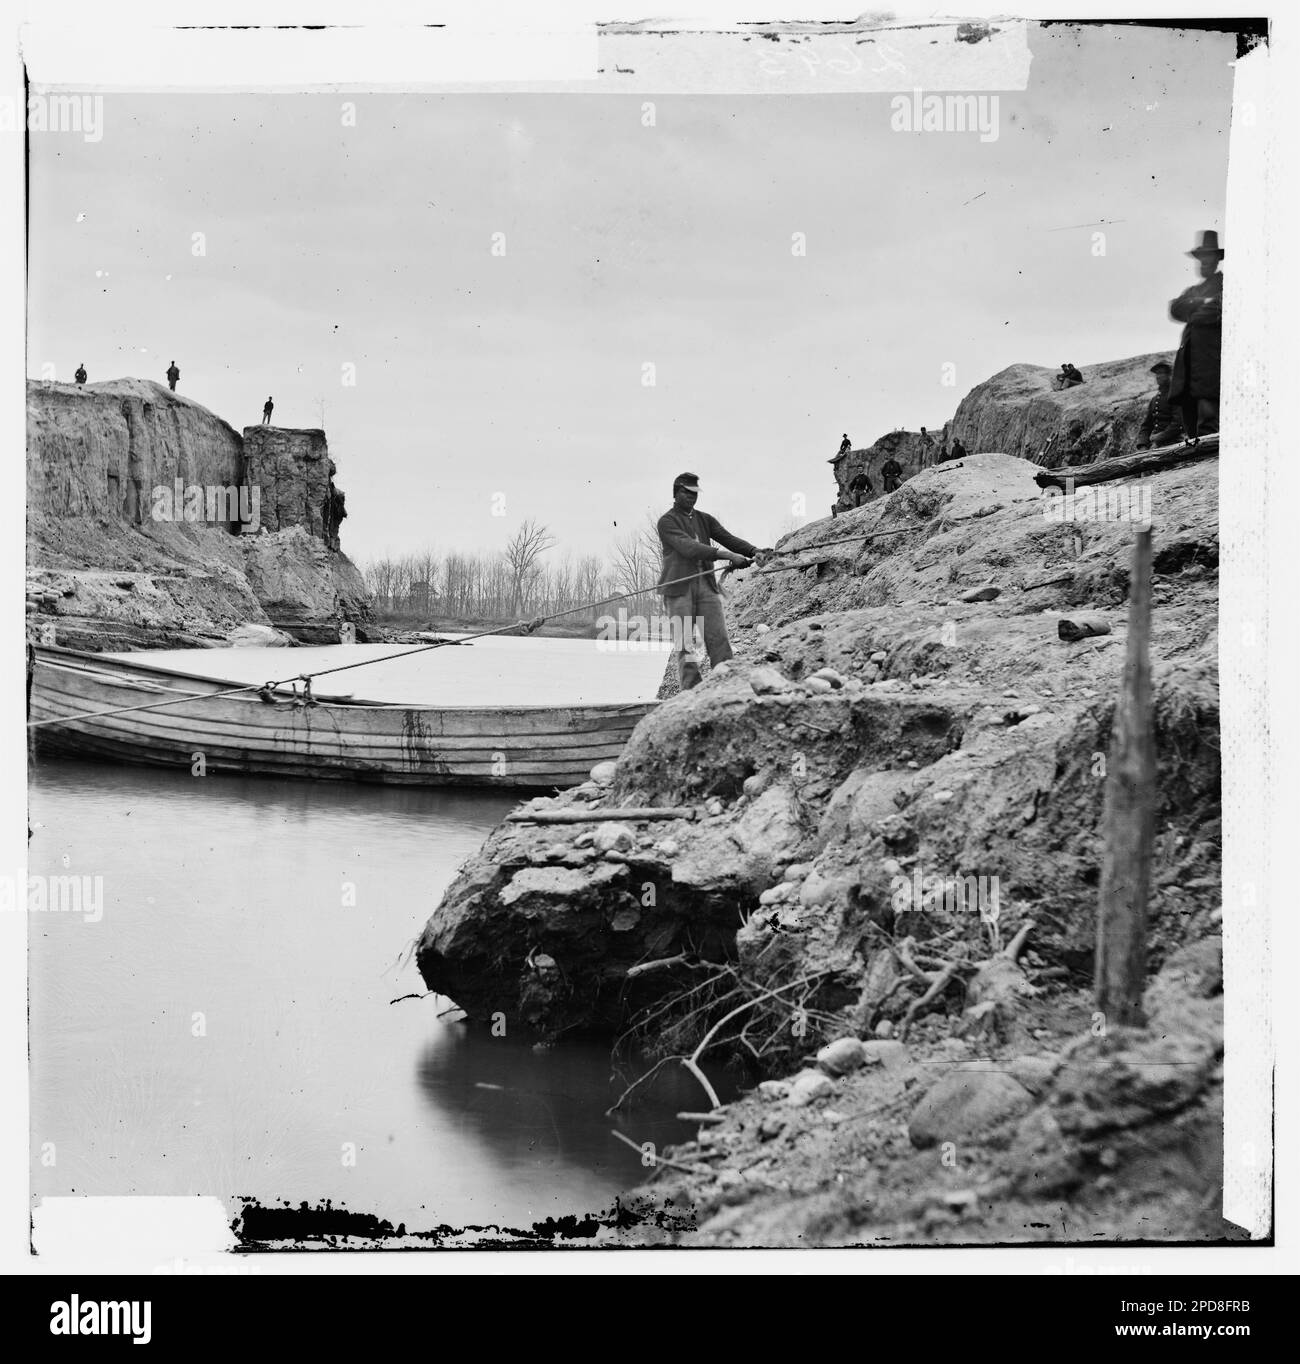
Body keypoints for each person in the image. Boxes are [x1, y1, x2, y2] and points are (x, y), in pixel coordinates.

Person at [657, 472, 765, 691]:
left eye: (695, 494)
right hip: (678, 590)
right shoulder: (666, 522)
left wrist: (754, 550)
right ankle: (691, 691)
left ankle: (725, 685)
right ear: (676, 493)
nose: (692, 498)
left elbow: (727, 537)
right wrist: (727, 556)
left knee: (719, 638)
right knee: (686, 646)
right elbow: (688, 547)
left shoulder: (704, 519)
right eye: (687, 493)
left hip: (705, 587)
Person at [1169, 229, 1223, 440]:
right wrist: (1200, 303)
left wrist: (1193, 310)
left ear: (1217, 259)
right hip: (1188, 373)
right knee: (1191, 431)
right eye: (1201, 258)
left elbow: (1212, 312)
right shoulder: (1194, 291)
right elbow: (1175, 308)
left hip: (1209, 371)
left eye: (1208, 257)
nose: (1204, 262)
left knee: (1208, 429)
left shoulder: (1226, 285)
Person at [1135, 360, 1184, 450]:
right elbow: (1146, 425)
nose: (1157, 376)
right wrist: (1143, 445)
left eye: (1161, 373)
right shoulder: (1154, 399)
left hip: (1174, 442)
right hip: (1154, 443)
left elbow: (1178, 424)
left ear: (1170, 375)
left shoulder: (1176, 396)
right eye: (1156, 374)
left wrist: (1158, 439)